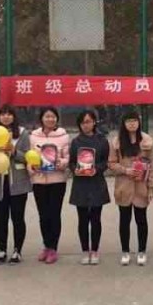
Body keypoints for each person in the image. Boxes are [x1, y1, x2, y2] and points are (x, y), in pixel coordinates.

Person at [109, 110, 153, 267]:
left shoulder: (147, 141)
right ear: (123, 123)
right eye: (128, 121)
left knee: (141, 220)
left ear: (139, 122)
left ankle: (142, 251)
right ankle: (125, 251)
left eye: (134, 120)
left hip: (141, 186)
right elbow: (111, 163)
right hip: (124, 186)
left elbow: (152, 166)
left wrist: (151, 188)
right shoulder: (117, 142)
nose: (132, 124)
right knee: (124, 220)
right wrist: (125, 170)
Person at [0, 104, 31, 265]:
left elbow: (28, 156)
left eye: (9, 114)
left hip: (17, 182)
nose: (6, 117)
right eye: (3, 114)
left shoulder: (22, 133)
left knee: (18, 218)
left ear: (14, 116)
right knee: (1, 218)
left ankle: (17, 251)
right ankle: (2, 250)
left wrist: (13, 151)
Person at [69, 110, 111, 265]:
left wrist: (96, 169)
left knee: (95, 218)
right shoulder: (76, 142)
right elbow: (72, 162)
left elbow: (105, 162)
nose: (86, 125)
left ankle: (95, 250)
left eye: (88, 121)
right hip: (80, 183)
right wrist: (75, 170)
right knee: (82, 219)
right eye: (83, 122)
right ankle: (85, 250)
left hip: (96, 182)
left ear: (94, 122)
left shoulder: (102, 140)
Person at [30, 106, 70, 265]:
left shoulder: (63, 136)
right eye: (47, 116)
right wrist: (32, 167)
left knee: (54, 214)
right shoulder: (33, 136)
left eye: (53, 117)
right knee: (43, 215)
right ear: (41, 119)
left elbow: (67, 157)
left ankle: (53, 248)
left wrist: (61, 163)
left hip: (57, 180)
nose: (50, 119)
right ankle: (46, 246)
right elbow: (29, 157)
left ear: (57, 119)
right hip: (39, 180)